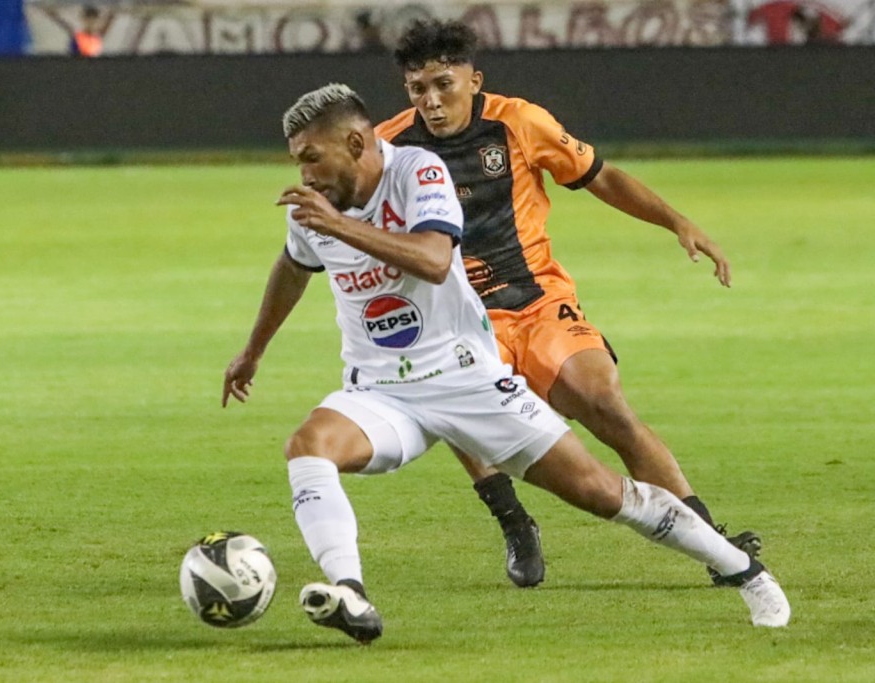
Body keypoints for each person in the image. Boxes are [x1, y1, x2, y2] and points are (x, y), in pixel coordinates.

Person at [222, 83, 790, 643]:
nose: (305, 177)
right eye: (298, 163)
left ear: (353, 142)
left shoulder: (417, 171)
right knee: (308, 447)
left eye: (311, 159)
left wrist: (338, 224)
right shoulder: (316, 211)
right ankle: (350, 592)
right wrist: (252, 352)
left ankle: (745, 570)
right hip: (382, 392)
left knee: (602, 492)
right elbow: (294, 267)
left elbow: (434, 259)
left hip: (467, 379)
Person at [375, 19, 760, 588]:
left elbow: (600, 177)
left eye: (443, 84)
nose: (431, 101)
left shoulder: (520, 122)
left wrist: (676, 221)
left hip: (536, 300)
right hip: (456, 317)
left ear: (474, 80)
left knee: (603, 401)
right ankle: (514, 522)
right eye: (417, 89)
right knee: (459, 414)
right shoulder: (390, 147)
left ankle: (708, 537)